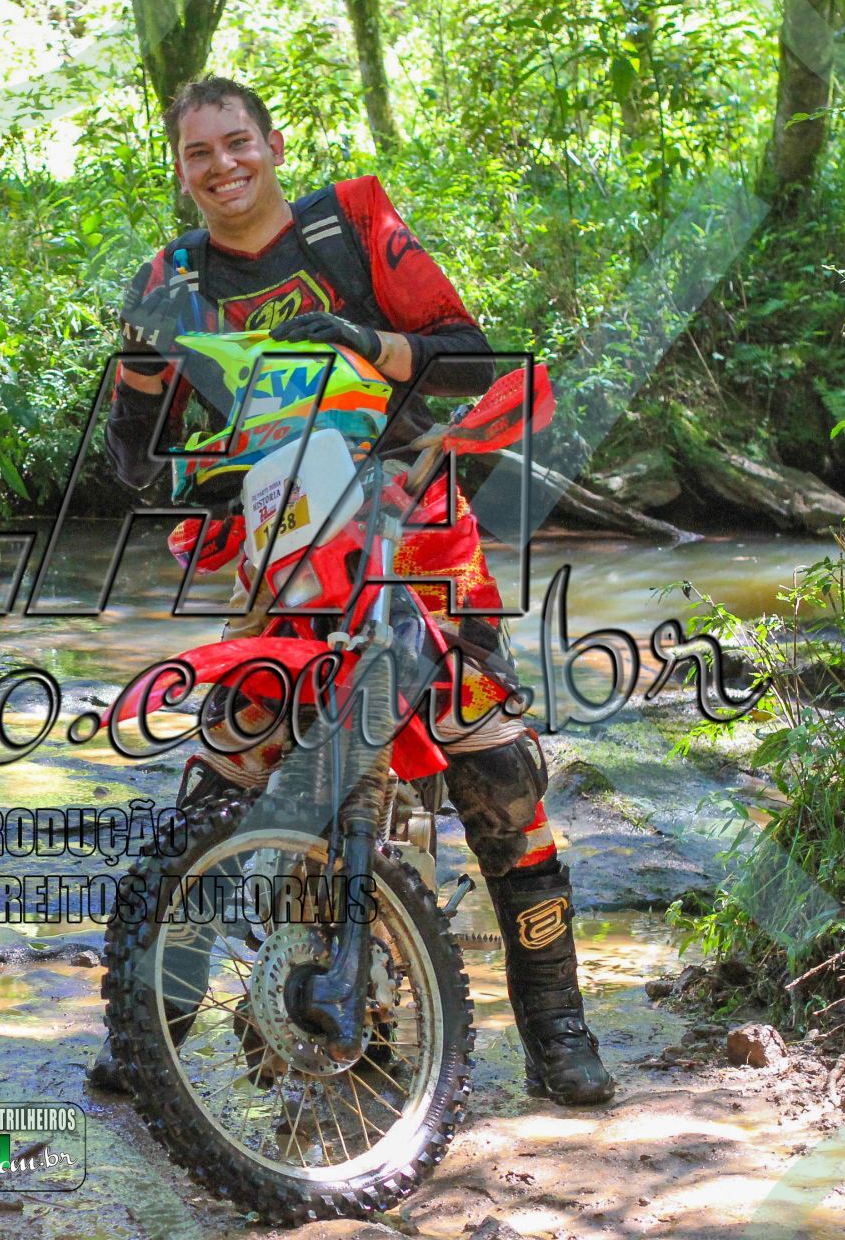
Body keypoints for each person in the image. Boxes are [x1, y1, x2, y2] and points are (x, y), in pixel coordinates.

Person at [94, 77, 613, 1107]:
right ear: (181, 168)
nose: (222, 166)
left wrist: (370, 345)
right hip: (281, 547)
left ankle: (560, 1033)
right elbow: (131, 461)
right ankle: (152, 1022)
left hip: (417, 532)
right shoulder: (171, 278)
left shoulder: (351, 227)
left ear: (273, 144)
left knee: (499, 774)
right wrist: (150, 384)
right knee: (221, 774)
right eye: (199, 152)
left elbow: (476, 362)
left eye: (237, 142)